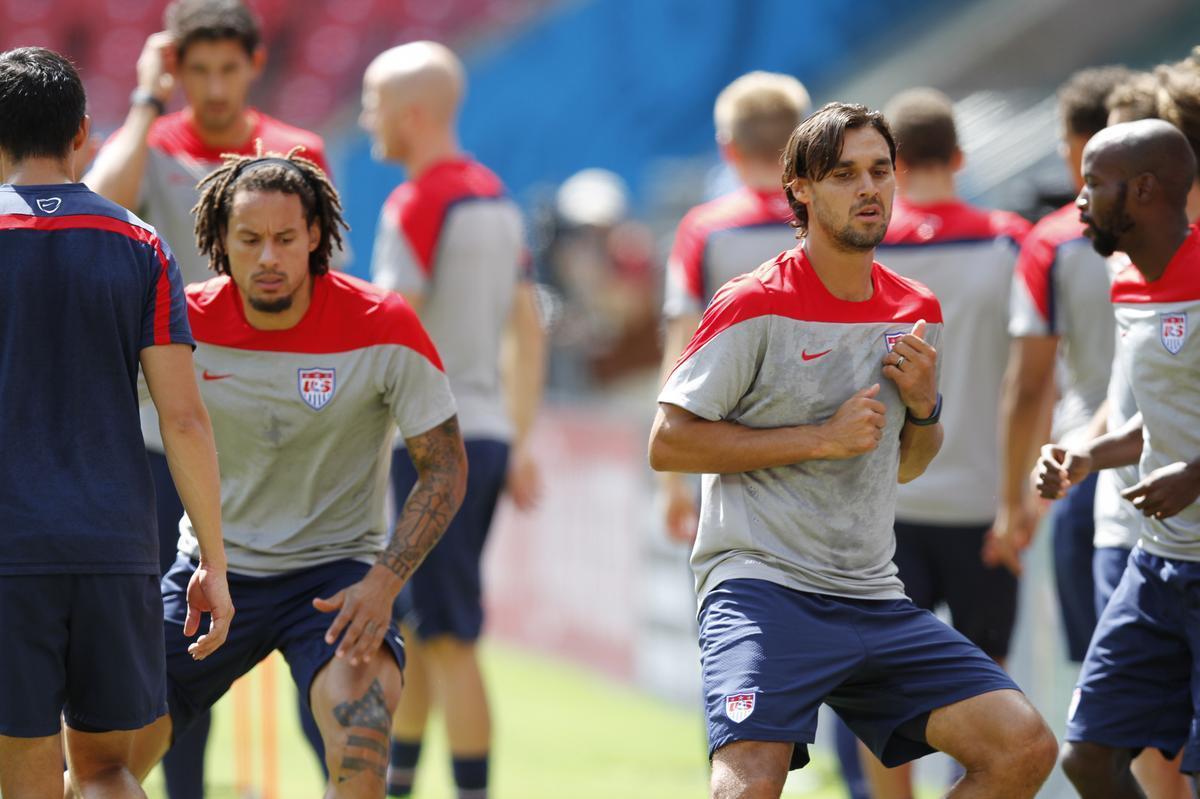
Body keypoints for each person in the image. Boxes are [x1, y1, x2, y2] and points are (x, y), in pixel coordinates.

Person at [648, 101, 1057, 799]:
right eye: (844, 173)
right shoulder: (751, 302)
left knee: (1022, 745)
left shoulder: (915, 308)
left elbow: (909, 461)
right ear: (800, 188)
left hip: (871, 593)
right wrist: (818, 438)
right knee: (746, 784)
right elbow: (669, 441)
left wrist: (926, 407)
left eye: (880, 171)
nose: (869, 188)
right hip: (761, 587)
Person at [93, 149, 467, 799]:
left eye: (286, 239)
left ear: (315, 235)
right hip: (211, 574)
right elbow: (89, 421)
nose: (269, 257)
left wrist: (384, 581)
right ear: (219, 240)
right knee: (102, 763)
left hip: (336, 577)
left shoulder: (383, 324)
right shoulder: (174, 319)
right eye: (250, 239)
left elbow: (444, 468)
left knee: (363, 745)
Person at [84, 4, 339, 792]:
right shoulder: (153, 143)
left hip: (275, 437)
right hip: (164, 430)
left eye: (229, 68)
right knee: (179, 640)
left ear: (254, 64)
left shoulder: (297, 151)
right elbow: (98, 205)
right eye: (199, 70)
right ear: (177, 69)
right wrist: (143, 100)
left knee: (314, 626)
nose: (216, 87)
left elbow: (326, 287)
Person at [0, 46, 231, 798]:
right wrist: (214, 564)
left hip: (9, 549)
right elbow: (185, 420)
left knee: (24, 776)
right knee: (106, 770)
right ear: (83, 134)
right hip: (117, 546)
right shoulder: (143, 244)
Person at [361, 40, 547, 799]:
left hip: (433, 442)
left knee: (447, 634)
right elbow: (528, 329)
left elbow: (384, 327)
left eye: (373, 101)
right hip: (489, 430)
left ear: (410, 113)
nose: (367, 116)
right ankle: (399, 786)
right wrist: (521, 436)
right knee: (422, 630)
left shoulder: (417, 201)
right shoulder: (499, 200)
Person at [859, 86, 1032, 798]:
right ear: (960, 157)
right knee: (985, 693)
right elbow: (1037, 378)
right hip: (985, 504)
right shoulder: (1013, 240)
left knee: (882, 692)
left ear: (892, 164)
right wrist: (1020, 500)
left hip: (882, 502)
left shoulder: (862, 242)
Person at [1034, 118, 1200, 799]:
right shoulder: (1127, 281)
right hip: (1157, 565)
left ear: (1144, 190)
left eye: (1093, 183)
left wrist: (1195, 473)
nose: (1078, 200)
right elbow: (1154, 420)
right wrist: (1085, 455)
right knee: (1087, 756)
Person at [991, 66, 1132, 664]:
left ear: (1081, 146)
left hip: (1088, 469)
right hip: (1172, 452)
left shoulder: (1053, 241)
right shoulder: (1181, 228)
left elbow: (1029, 383)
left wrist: (1012, 502)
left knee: (1107, 675)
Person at [658, 70, 810, 545]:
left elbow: (679, 352)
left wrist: (670, 481)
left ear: (729, 148)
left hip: (727, 455)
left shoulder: (704, 230)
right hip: (825, 450)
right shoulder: (831, 220)